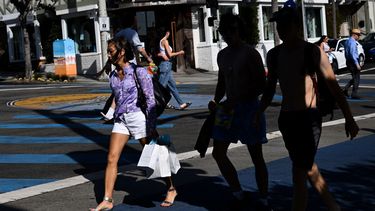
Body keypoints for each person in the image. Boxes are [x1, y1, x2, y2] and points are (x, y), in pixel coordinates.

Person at [255, 3, 359, 211]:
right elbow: (268, 90)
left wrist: (349, 118)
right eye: (278, 26)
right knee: (306, 166)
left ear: (297, 26)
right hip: (287, 119)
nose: (281, 29)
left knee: (299, 172)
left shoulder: (312, 52)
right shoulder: (274, 55)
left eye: (285, 25)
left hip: (308, 118)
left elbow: (334, 87)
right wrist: (257, 113)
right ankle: (333, 206)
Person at [90, 37, 177, 211]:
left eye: (111, 51)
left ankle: (171, 188)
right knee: (111, 158)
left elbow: (150, 99)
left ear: (122, 52)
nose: (108, 54)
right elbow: (116, 97)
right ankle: (107, 199)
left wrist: (151, 125)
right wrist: (110, 113)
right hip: (121, 120)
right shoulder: (113, 75)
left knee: (156, 156)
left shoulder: (139, 72)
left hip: (139, 118)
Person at [208, 13, 270, 209]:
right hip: (227, 109)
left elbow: (262, 85)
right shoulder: (222, 55)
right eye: (225, 31)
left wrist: (239, 99)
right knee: (218, 152)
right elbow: (221, 82)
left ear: (240, 30)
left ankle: (263, 197)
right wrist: (215, 100)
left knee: (256, 155)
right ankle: (237, 192)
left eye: (233, 30)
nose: (229, 35)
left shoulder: (250, 53)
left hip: (249, 109)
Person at [100, 12, 155, 121]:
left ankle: (111, 112)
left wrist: (108, 64)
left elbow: (113, 52)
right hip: (129, 65)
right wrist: (149, 59)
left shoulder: (119, 34)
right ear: (133, 21)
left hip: (121, 66)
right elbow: (140, 48)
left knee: (120, 90)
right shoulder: (132, 33)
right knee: (136, 89)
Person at [157, 28, 191, 110]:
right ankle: (156, 105)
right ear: (166, 32)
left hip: (167, 66)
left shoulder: (161, 40)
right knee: (160, 88)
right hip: (166, 66)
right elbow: (170, 54)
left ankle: (181, 104)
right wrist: (180, 52)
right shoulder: (165, 41)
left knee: (172, 86)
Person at [343, 28, 362, 99]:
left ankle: (345, 89)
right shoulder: (353, 42)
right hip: (353, 62)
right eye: (358, 35)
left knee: (355, 77)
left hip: (349, 61)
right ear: (354, 35)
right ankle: (354, 94)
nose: (359, 37)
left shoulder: (347, 41)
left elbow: (346, 53)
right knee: (357, 78)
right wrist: (357, 64)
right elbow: (352, 53)